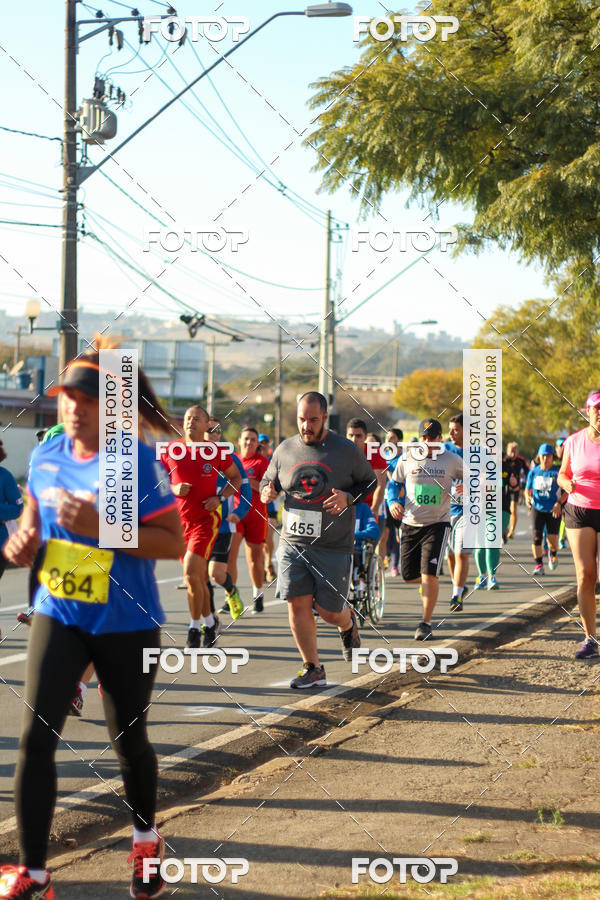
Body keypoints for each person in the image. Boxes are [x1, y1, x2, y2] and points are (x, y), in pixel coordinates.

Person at [0, 341, 185, 900]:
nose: (73, 408)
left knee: (128, 740)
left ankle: (146, 840)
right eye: (66, 398)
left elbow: (173, 541)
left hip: (126, 620)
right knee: (36, 738)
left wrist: (107, 525)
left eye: (86, 399)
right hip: (60, 610)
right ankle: (33, 872)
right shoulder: (46, 457)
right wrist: (22, 544)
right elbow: (33, 526)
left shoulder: (136, 462)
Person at [260, 392, 376, 688]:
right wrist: (266, 492)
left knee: (328, 612)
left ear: (325, 417)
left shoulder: (346, 450)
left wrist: (349, 497)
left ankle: (348, 624)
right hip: (293, 543)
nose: (306, 426)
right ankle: (313, 667)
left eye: (313, 420)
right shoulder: (285, 450)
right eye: (301, 419)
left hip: (333, 545)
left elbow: (370, 482)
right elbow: (268, 480)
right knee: (296, 603)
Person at [160, 406, 241, 649]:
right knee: (197, 578)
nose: (190, 422)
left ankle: (194, 628)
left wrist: (220, 498)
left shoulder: (213, 452)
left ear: (207, 425)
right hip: (179, 524)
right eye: (187, 418)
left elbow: (235, 478)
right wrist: (173, 489)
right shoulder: (171, 450)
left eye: (197, 419)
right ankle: (210, 621)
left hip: (205, 521)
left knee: (190, 575)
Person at [387, 417, 463, 639]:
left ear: (440, 439)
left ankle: (425, 623)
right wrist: (393, 501)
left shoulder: (452, 460)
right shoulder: (408, 458)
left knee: (428, 574)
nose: (427, 442)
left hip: (438, 523)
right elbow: (394, 483)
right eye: (423, 438)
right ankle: (431, 583)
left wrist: (466, 485)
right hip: (410, 523)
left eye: (432, 438)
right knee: (409, 575)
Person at [557, 390, 600, 659]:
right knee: (585, 575)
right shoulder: (573, 441)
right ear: (587, 411)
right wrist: (565, 483)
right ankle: (590, 639)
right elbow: (563, 473)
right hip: (579, 510)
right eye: (596, 408)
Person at [204, 417, 247, 619]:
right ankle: (209, 618)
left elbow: (244, 487)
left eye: (218, 431)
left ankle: (231, 591)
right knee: (200, 576)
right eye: (210, 430)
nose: (214, 434)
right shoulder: (189, 455)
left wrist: (239, 513)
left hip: (222, 527)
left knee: (216, 574)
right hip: (197, 526)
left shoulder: (228, 456)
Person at [227, 426, 270, 614]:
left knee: (255, 559)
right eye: (246, 439)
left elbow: (265, 488)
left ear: (257, 443)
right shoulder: (232, 459)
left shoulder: (262, 462)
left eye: (253, 440)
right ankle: (232, 596)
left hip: (256, 514)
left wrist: (244, 480)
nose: (249, 442)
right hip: (236, 514)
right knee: (231, 556)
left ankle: (258, 594)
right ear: (239, 440)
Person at [345, 419, 387, 562]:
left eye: (358, 436)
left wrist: (374, 508)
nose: (354, 439)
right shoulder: (341, 452)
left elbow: (380, 484)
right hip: (348, 505)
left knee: (367, 549)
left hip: (370, 506)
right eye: (350, 435)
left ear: (365, 437)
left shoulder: (374, 452)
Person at [443, 413, 471, 606]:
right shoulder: (444, 450)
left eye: (456, 429)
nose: (451, 433)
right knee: (450, 556)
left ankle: (457, 595)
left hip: (468, 510)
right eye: (450, 429)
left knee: (461, 552)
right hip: (445, 510)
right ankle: (458, 586)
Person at [473, 453, 511, 589]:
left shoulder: (505, 467)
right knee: (479, 547)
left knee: (491, 541)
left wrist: (514, 482)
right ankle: (481, 576)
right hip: (479, 509)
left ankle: (492, 577)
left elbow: (512, 484)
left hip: (500, 508)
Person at [525, 443, 563, 575]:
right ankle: (539, 564)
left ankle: (553, 554)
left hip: (553, 509)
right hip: (537, 508)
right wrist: (527, 498)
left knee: (552, 539)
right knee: (536, 537)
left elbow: (565, 492)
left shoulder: (558, 472)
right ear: (539, 457)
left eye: (548, 456)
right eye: (543, 456)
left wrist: (559, 503)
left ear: (552, 457)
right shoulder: (534, 471)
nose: (545, 459)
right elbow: (527, 489)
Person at [258, 433, 278, 583]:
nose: (263, 445)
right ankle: (263, 565)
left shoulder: (273, 462)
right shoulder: (252, 462)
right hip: (255, 507)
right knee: (259, 541)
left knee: (268, 538)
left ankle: (268, 563)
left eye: (265, 443)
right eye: (260, 443)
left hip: (271, 506)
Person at [383, 428, 403, 576]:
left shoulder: (405, 458)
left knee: (398, 535)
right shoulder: (384, 457)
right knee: (385, 534)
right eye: (387, 438)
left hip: (401, 501)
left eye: (392, 438)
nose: (388, 441)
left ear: (399, 440)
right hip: (385, 501)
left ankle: (396, 565)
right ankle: (387, 560)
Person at [504, 442, 527, 539]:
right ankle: (506, 529)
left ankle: (512, 530)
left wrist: (523, 485)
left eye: (515, 452)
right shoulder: (505, 460)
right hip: (505, 489)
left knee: (513, 509)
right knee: (505, 510)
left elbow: (527, 473)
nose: (513, 454)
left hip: (516, 489)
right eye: (511, 452)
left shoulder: (520, 461)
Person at [555, 437, 568, 549]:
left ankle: (561, 538)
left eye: (564, 446)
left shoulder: (569, 459)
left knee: (563, 516)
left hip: (565, 492)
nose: (562, 448)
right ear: (556, 448)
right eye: (560, 446)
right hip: (552, 493)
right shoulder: (551, 458)